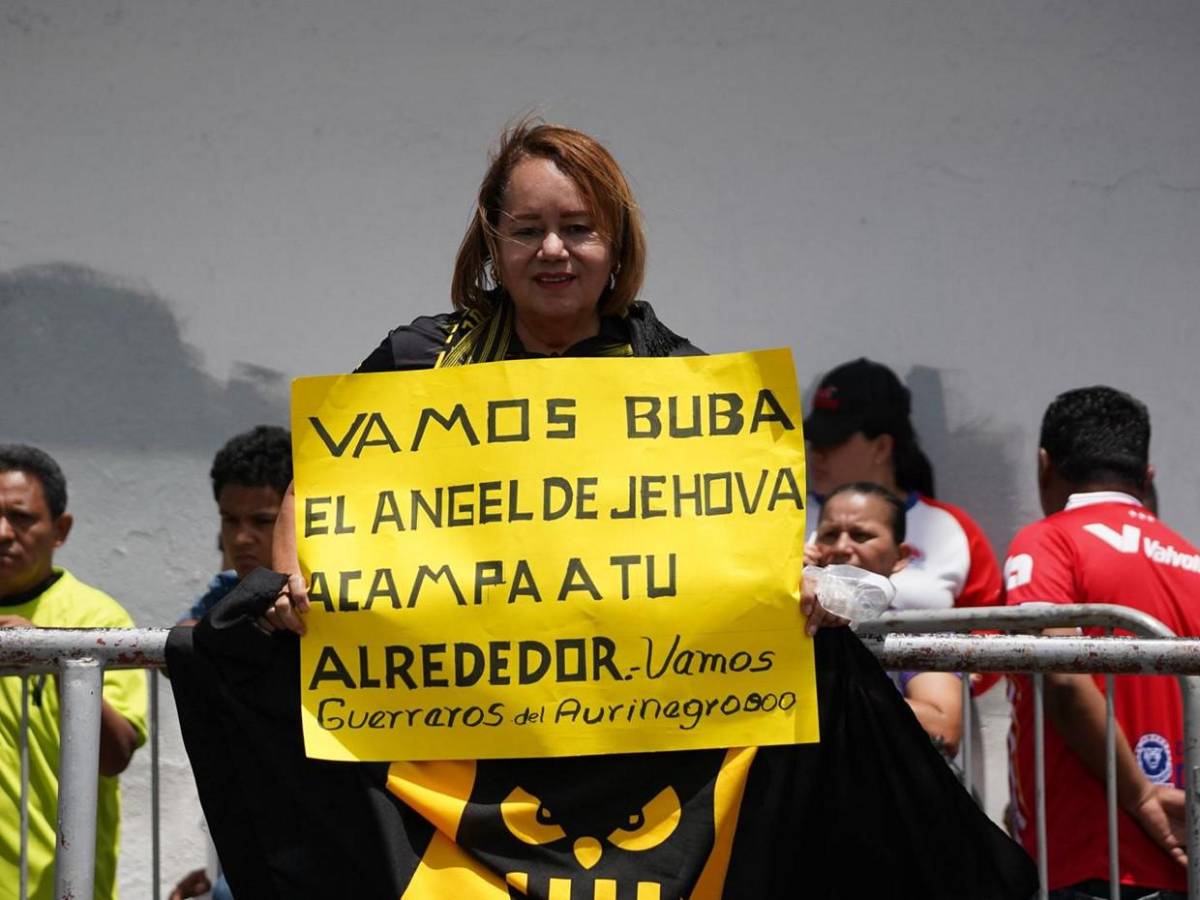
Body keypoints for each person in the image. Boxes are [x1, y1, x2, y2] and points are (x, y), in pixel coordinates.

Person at [167, 120, 1035, 898]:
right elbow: (318, 490)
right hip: (456, 730)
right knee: (228, 652)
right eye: (528, 229)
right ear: (491, 244)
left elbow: (741, 530)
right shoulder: (419, 359)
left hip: (634, 737)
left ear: (616, 245)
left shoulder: (673, 370)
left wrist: (796, 585)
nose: (554, 250)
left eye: (579, 229)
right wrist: (289, 583)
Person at [1004, 386, 1195, 899]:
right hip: (1182, 856)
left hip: (1089, 855)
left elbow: (1062, 677)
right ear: (1146, 473)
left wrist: (1141, 796)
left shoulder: (1048, 540)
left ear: (1044, 464)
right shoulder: (1191, 560)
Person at [0, 444, 147, 900]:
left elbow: (114, 756)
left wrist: (52, 656)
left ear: (60, 530)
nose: (2, 532)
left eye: (20, 517)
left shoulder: (94, 617)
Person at [804, 357, 1001, 613]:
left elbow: (988, 632)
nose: (816, 453)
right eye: (813, 440)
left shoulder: (951, 528)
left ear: (881, 447)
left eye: (832, 440)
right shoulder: (780, 520)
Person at [812, 481, 962, 756]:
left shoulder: (918, 631)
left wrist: (825, 695)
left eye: (860, 536)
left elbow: (942, 728)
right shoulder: (786, 623)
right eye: (830, 535)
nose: (842, 547)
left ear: (900, 556)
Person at [179, 425, 292, 626]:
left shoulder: (333, 598)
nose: (240, 539)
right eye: (230, 520)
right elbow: (186, 632)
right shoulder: (224, 595)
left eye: (262, 521)